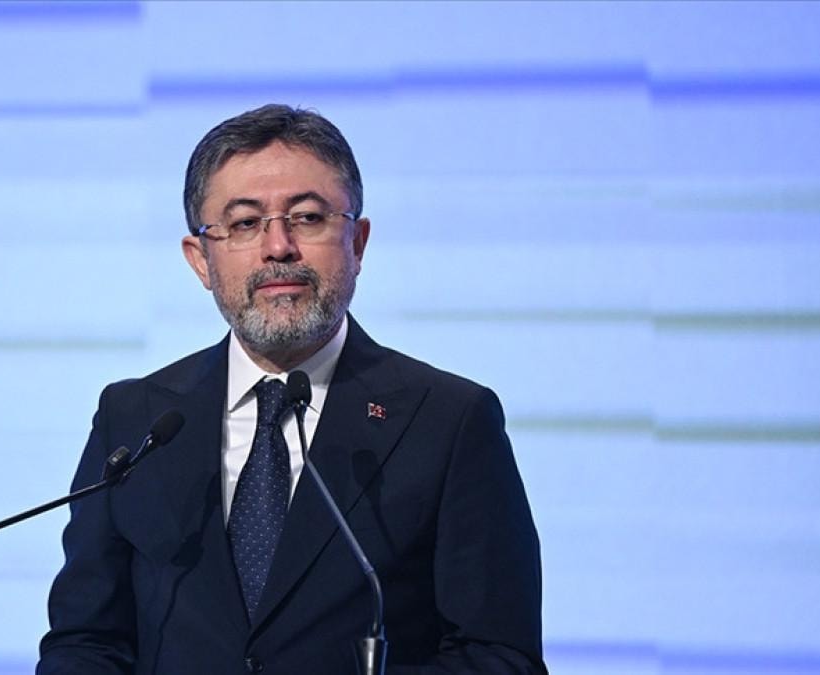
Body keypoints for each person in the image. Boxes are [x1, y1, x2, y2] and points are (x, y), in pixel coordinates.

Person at [37, 104, 547, 675]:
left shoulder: (449, 420)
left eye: (306, 218)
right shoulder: (135, 419)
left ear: (357, 242)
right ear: (200, 260)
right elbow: (85, 642)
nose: (278, 247)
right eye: (244, 223)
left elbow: (498, 656)